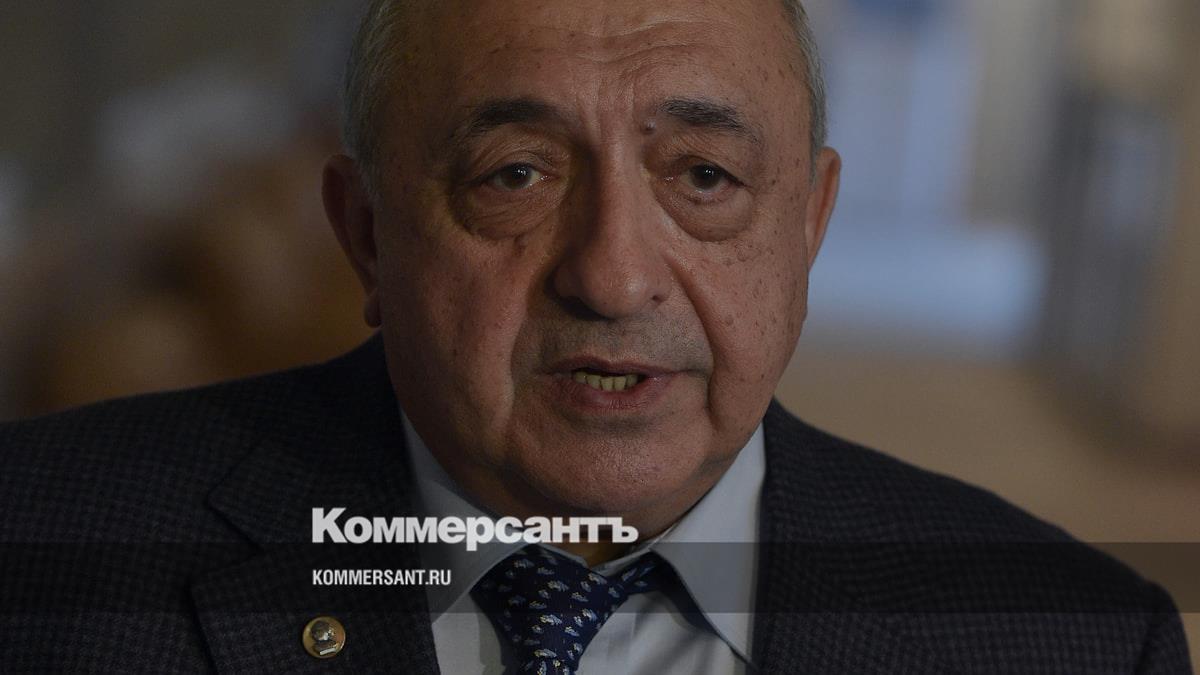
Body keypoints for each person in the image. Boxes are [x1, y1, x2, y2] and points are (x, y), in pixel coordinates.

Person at [1, 0, 1190, 673]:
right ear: (366, 235)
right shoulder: (37, 561)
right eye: (515, 175)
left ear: (810, 225)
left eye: (705, 177)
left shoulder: (1078, 642)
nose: (614, 277)